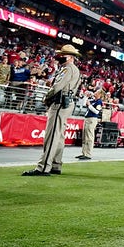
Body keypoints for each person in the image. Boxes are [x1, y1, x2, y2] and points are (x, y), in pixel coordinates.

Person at [22, 45, 81, 176]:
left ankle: (43, 167)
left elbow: (57, 87)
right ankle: (55, 164)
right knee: (59, 135)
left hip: (59, 103)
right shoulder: (74, 69)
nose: (60, 57)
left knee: (52, 135)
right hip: (66, 102)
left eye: (63, 55)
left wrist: (46, 97)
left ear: (70, 57)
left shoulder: (68, 68)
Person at [76, 89, 103, 160]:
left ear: (100, 95)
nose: (94, 93)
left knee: (89, 136)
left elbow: (97, 112)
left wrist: (90, 105)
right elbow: (85, 104)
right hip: (87, 118)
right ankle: (84, 153)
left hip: (92, 119)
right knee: (85, 136)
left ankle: (88, 154)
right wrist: (86, 96)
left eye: (96, 92)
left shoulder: (99, 102)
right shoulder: (94, 100)